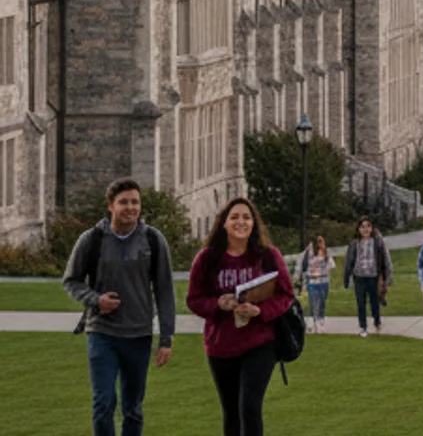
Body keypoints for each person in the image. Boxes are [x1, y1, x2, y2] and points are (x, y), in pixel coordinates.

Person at [63, 176, 176, 436]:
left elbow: (165, 291)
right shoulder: (92, 240)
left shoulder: (153, 240)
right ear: (110, 206)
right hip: (102, 333)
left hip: (139, 336)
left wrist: (166, 338)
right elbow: (71, 281)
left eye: (135, 202)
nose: (131, 207)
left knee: (133, 408)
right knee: (103, 403)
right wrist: (95, 300)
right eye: (123, 202)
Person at [185, 197, 296, 436]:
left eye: (247, 217)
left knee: (249, 407)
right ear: (223, 223)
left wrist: (261, 311)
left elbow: (285, 295)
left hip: (259, 341)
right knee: (231, 412)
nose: (241, 222)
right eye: (234, 217)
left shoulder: (268, 256)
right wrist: (218, 304)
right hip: (221, 345)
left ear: (254, 224)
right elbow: (193, 299)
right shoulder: (207, 259)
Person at [343, 216, 392, 338]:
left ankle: (377, 320)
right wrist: (346, 277)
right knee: (361, 302)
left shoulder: (377, 242)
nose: (365, 229)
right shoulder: (354, 243)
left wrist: (386, 276)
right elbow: (349, 261)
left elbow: (385, 258)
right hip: (359, 276)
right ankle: (363, 327)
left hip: (373, 276)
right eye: (363, 227)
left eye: (368, 226)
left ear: (372, 228)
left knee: (374, 301)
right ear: (358, 229)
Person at [296, 235, 334, 333]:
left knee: (322, 302)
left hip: (323, 281)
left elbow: (331, 265)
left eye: (321, 241)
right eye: (318, 241)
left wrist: (324, 251)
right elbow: (302, 264)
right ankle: (313, 322)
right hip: (312, 281)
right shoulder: (308, 252)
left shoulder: (325, 253)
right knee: (312, 302)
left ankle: (321, 320)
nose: (319, 244)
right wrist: (300, 277)